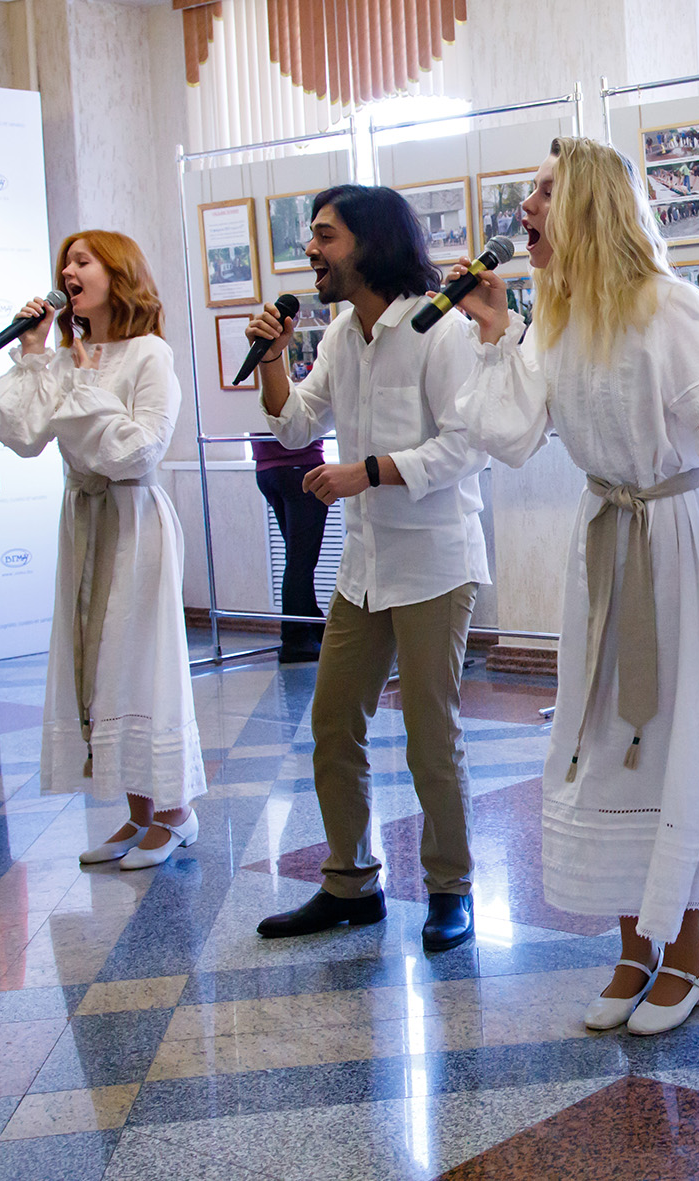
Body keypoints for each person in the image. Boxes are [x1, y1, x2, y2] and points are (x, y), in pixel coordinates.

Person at [448, 137, 699, 1036]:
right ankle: (633, 950)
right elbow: (511, 433)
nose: (525, 208)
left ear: (589, 204)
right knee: (604, 742)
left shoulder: (667, 306)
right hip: (604, 535)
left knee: (674, 742)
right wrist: (494, 331)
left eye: (543, 190)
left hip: (675, 541)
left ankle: (688, 955)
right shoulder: (558, 317)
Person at [248, 185, 491, 954]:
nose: (310, 250)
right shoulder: (338, 336)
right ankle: (351, 883)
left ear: (371, 242)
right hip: (364, 567)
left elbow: (467, 446)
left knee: (430, 735)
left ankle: (451, 888)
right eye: (311, 236)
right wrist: (272, 359)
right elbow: (293, 425)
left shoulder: (438, 328)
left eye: (325, 235)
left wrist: (369, 471)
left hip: (433, 563)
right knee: (332, 722)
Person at [0, 231, 206, 868]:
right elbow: (25, 436)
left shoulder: (150, 354)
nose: (68, 270)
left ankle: (176, 813)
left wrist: (84, 391)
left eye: (83, 260)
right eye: (65, 260)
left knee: (140, 661)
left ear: (118, 273)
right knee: (98, 665)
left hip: (134, 519)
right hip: (83, 521)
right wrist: (35, 354)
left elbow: (140, 449)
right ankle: (138, 813)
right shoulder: (65, 358)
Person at [252, 436, 329, 663]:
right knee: (300, 563)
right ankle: (296, 639)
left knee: (298, 559)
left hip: (267, 471)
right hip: (300, 467)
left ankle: (315, 627)